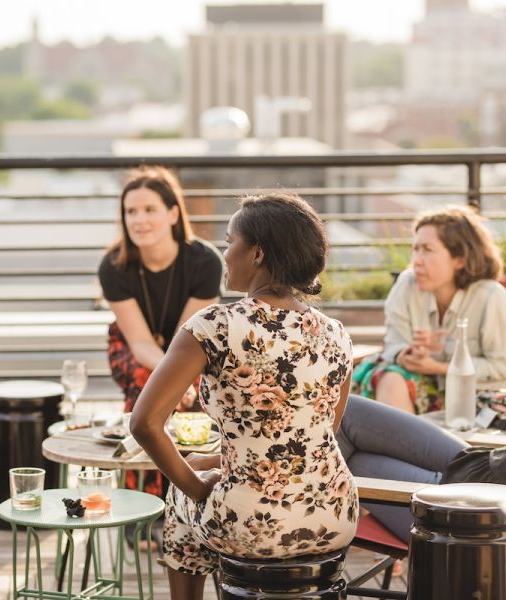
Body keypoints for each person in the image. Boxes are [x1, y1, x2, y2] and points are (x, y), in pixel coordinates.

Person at [130, 193, 358, 600]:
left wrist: (199, 489)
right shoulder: (336, 333)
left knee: (179, 499)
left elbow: (144, 424)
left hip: (254, 525)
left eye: (229, 240)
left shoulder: (214, 326)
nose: (224, 251)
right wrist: (216, 460)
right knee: (203, 480)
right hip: (335, 512)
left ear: (257, 253)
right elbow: (311, 435)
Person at [338, 285, 506, 542]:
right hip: (478, 466)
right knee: (350, 411)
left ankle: (314, 537)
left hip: (471, 508)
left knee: (359, 463)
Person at [98, 166, 223, 496]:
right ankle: (139, 496)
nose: (138, 220)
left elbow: (190, 337)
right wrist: (169, 379)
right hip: (135, 347)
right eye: (131, 211)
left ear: (172, 213)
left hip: (191, 348)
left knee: (190, 399)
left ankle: (183, 493)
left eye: (149, 209)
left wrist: (178, 379)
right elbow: (138, 342)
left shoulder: (205, 262)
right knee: (145, 380)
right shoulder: (113, 266)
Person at [354, 205, 506, 414]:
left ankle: (400, 446)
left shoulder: (491, 297)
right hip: (410, 386)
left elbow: (502, 365)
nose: (416, 260)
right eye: (416, 249)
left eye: (428, 249)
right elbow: (394, 343)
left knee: (391, 380)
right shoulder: (407, 284)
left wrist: (437, 367)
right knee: (391, 376)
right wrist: (407, 354)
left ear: (459, 259)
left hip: (470, 397)